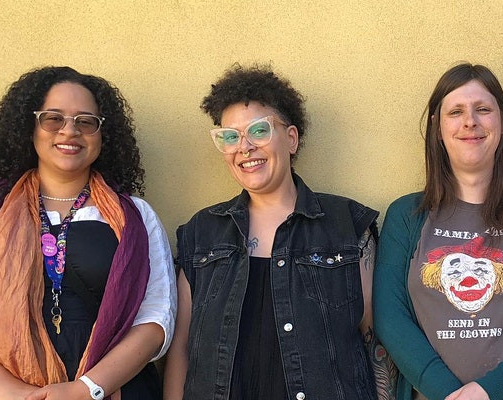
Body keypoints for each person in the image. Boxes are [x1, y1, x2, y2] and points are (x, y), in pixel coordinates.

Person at [164, 64, 390, 400]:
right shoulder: (202, 233)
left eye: (258, 131)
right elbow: (181, 349)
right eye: (230, 136)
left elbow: (376, 344)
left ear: (292, 138)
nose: (244, 147)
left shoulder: (346, 226)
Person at [0, 66, 176, 399]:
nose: (69, 131)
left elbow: (156, 319)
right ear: (29, 127)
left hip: (111, 391)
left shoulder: (134, 217)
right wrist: (12, 393)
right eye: (53, 119)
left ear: (103, 135)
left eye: (86, 121)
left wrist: (85, 390)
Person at [373, 63, 503, 400]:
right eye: (456, 112)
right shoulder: (406, 216)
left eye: (483, 109)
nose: (470, 121)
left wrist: (490, 391)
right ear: (438, 126)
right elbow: (390, 318)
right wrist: (447, 392)